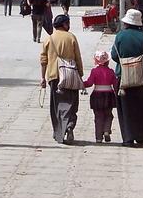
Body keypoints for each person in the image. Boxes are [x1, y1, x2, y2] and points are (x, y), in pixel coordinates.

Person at [111, 9, 143, 147]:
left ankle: (128, 138)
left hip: (123, 78)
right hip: (142, 79)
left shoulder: (120, 36)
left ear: (126, 23)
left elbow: (114, 55)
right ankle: (141, 136)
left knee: (125, 109)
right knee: (142, 108)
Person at [40, 14, 83, 145]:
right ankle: (69, 125)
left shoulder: (49, 39)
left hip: (54, 76)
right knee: (71, 103)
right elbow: (78, 57)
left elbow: (43, 60)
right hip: (70, 75)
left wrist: (43, 77)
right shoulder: (71, 37)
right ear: (64, 24)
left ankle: (59, 132)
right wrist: (80, 74)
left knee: (56, 105)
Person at [83, 50, 118, 143]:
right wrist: (118, 93)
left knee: (98, 116)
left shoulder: (94, 71)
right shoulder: (111, 71)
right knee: (108, 115)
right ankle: (106, 130)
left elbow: (89, 83)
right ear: (107, 61)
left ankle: (98, 137)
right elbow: (115, 84)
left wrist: (81, 84)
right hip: (109, 94)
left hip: (97, 94)